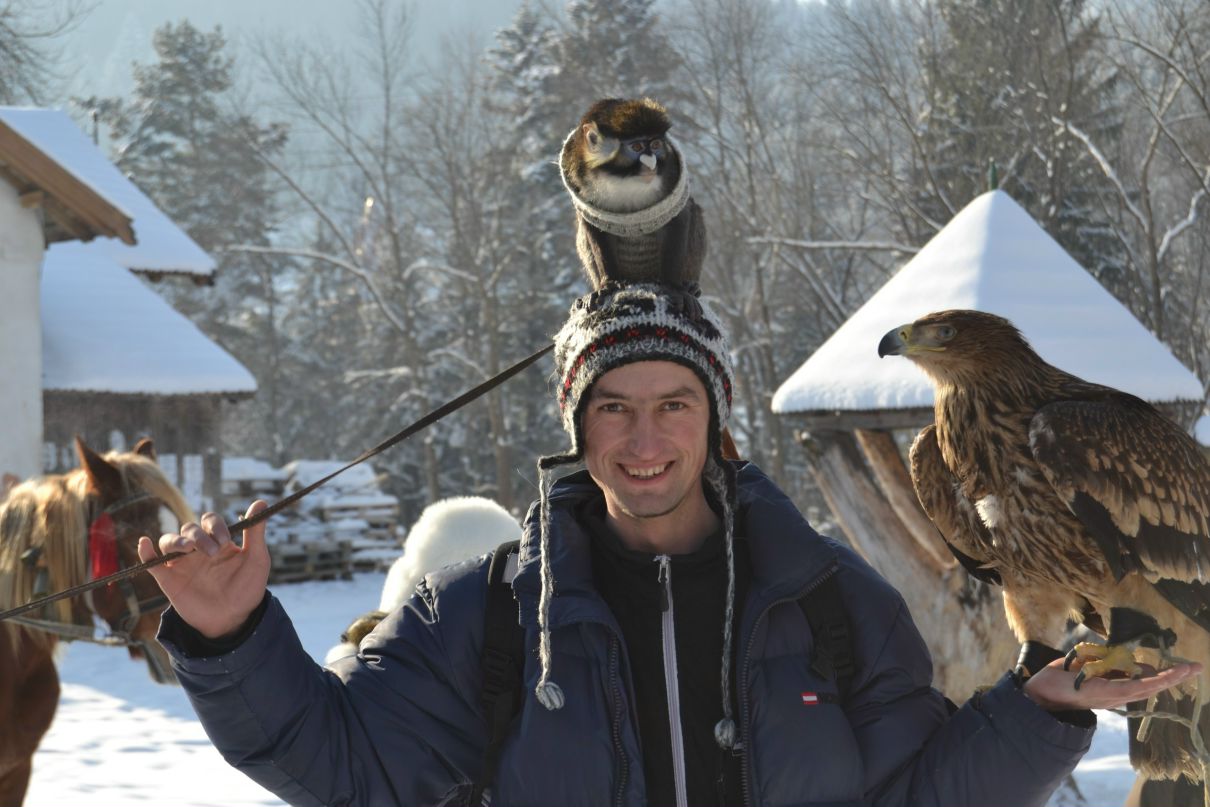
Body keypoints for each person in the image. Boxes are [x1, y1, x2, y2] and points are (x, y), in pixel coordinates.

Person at [141, 283, 1200, 807]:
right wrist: (233, 640)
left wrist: (1038, 712)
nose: (644, 442)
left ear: (716, 424)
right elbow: (342, 762)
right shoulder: (482, 614)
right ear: (575, 429)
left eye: (674, 405)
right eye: (612, 409)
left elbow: (917, 796)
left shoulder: (830, 601)